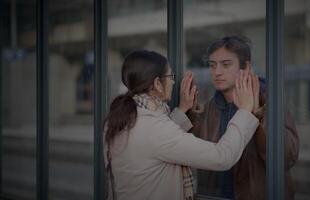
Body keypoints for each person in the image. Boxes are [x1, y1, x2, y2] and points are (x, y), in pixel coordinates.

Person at [103, 49, 260, 200]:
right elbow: (222, 157)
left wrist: (183, 109)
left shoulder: (120, 118)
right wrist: (245, 111)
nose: (173, 81)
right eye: (170, 76)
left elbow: (152, 143)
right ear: (157, 83)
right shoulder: (155, 128)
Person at [188, 36, 299, 200]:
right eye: (212, 65)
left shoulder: (269, 102)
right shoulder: (210, 107)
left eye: (226, 65)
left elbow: (287, 157)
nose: (217, 72)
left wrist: (256, 115)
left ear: (245, 67)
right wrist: (189, 112)